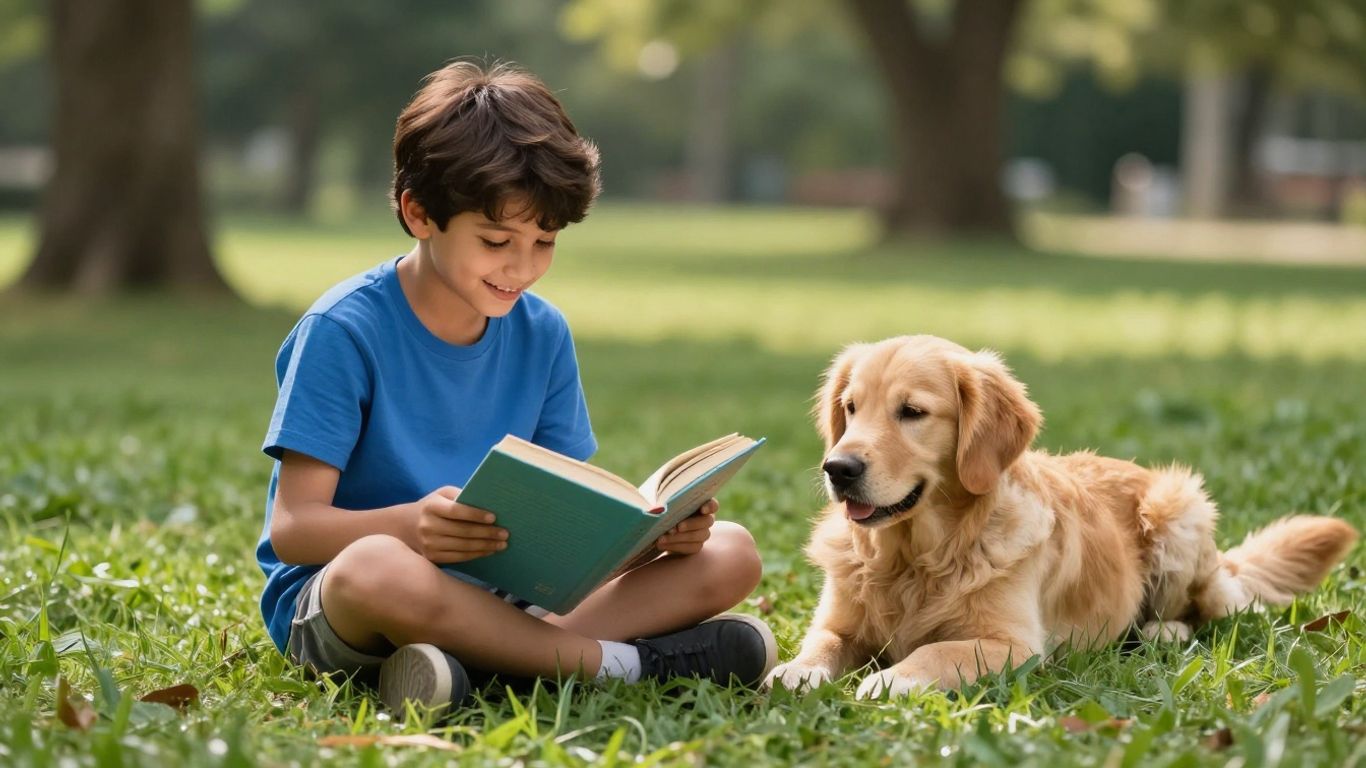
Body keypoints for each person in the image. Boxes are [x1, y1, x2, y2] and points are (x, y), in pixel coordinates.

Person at [254, 61, 774, 714]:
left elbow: (565, 518)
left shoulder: (543, 333)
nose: (522, 267)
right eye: (497, 239)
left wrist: (653, 534)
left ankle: (475, 666)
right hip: (352, 602)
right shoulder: (343, 330)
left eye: (545, 241)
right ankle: (618, 667)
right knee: (377, 567)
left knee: (732, 553)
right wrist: (414, 529)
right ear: (419, 213)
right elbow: (296, 530)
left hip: (506, 592)